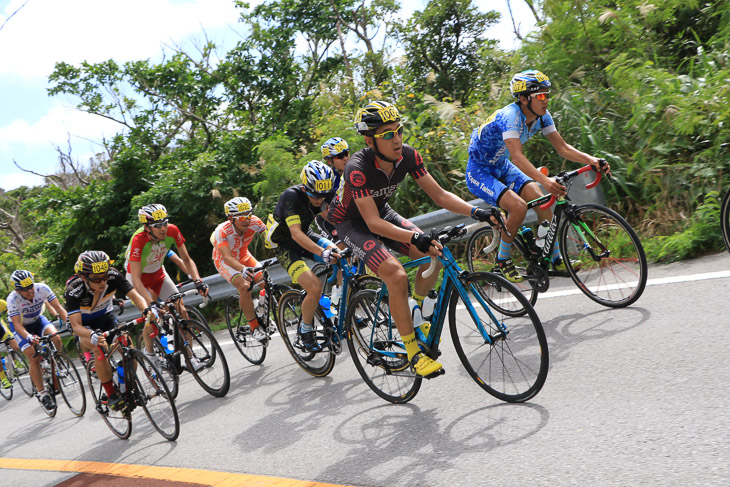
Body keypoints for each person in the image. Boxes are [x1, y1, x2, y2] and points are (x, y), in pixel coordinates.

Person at [328, 100, 498, 378]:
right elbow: (371, 223)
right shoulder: (357, 168)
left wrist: (477, 211)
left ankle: (415, 312)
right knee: (396, 275)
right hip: (352, 223)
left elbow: (440, 195)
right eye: (387, 134)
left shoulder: (407, 156)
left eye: (399, 130)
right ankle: (413, 353)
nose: (396, 139)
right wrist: (415, 238)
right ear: (370, 140)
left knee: (435, 253)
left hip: (382, 212)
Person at [465, 69, 610, 282]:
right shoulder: (511, 117)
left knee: (538, 197)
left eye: (547, 95)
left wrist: (592, 160)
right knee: (518, 206)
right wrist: (546, 180)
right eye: (540, 96)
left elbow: (562, 148)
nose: (546, 100)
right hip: (480, 171)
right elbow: (518, 158)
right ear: (523, 99)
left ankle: (555, 256)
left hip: (501, 165)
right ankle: (503, 260)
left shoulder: (542, 117)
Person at [265, 160, 342, 352]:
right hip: (285, 245)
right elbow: (295, 233)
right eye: (315, 194)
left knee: (341, 255)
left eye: (323, 195)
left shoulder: (323, 193)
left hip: (306, 236)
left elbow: (332, 217)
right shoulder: (291, 196)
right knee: (314, 286)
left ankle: (340, 304)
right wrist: (322, 253)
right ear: (305, 186)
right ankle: (305, 331)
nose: (319, 199)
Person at [123, 203, 209, 365]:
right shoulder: (138, 240)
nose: (163, 228)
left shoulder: (172, 230)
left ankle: (191, 358)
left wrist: (198, 280)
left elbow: (186, 259)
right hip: (139, 280)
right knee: (152, 315)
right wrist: (150, 303)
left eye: (164, 223)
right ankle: (150, 354)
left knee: (181, 310)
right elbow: (135, 278)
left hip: (159, 275)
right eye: (157, 225)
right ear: (147, 227)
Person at [65, 251, 151, 411]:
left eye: (104, 276)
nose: (103, 282)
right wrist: (91, 335)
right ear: (84, 277)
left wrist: (146, 310)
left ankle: (124, 386)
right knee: (98, 349)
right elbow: (76, 326)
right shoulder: (74, 290)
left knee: (126, 341)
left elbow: (135, 295)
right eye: (97, 279)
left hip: (104, 316)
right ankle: (111, 394)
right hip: (84, 325)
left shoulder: (112, 275)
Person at [6, 270, 68, 412]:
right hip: (21, 327)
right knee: (32, 355)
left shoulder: (42, 288)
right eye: (25, 289)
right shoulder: (12, 299)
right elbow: (16, 324)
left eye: (31, 286)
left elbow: (58, 307)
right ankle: (42, 393)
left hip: (38, 321)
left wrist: (70, 322)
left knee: (56, 337)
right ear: (17, 290)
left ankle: (55, 361)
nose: (30, 291)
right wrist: (28, 337)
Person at [211, 197, 267, 341]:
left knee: (265, 281)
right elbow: (227, 258)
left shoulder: (255, 221)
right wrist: (242, 269)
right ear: (231, 218)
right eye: (241, 217)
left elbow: (269, 238)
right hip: (226, 261)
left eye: (248, 214)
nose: (246, 220)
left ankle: (261, 309)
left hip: (244, 255)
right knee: (244, 286)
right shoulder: (222, 231)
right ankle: (254, 327)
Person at [0, 298, 19, 390]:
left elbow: (10, 309)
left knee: (15, 345)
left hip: (1, 329)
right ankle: (3, 378)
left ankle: (12, 363)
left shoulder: (0, 303)